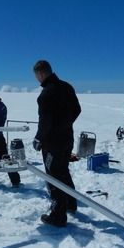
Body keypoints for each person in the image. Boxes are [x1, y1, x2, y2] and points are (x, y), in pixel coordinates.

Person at [32, 60, 81, 227]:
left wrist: (39, 138)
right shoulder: (67, 87)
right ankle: (70, 203)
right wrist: (66, 125)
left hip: (53, 143)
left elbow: (45, 122)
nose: (37, 80)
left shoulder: (46, 94)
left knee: (53, 176)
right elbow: (77, 110)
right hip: (67, 138)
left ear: (40, 74)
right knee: (63, 171)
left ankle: (58, 215)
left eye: (36, 76)